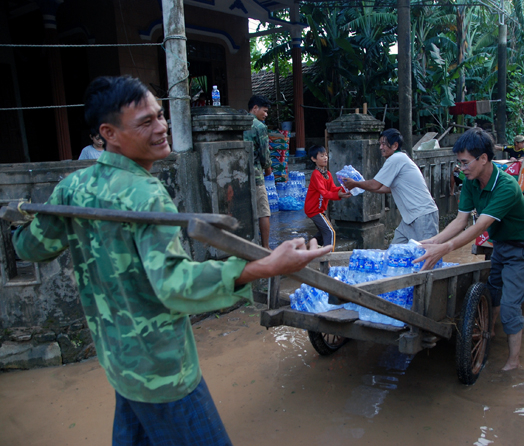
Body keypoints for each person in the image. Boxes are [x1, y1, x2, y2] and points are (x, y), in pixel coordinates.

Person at [12, 76, 331, 446]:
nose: (162, 127)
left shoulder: (72, 189)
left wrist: (19, 222)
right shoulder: (146, 194)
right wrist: (268, 266)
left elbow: (28, 247)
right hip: (162, 369)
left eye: (160, 116)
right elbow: (174, 285)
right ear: (108, 133)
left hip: (119, 362)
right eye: (145, 122)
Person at [414, 127, 524, 371]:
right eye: (459, 162)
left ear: (483, 158)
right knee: (493, 289)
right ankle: (488, 331)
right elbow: (460, 221)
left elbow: (481, 226)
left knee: (511, 305)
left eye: (465, 162)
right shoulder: (472, 181)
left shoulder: (507, 186)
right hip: (502, 244)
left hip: (523, 247)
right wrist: (431, 243)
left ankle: (513, 362)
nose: (462, 168)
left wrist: (446, 248)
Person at [341, 129, 439, 244]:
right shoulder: (399, 159)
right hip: (410, 218)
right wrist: (361, 185)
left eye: (383, 144)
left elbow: (375, 185)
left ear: (395, 145)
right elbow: (385, 188)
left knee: (426, 254)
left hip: (422, 215)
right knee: (394, 253)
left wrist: (356, 184)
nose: (380, 147)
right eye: (380, 144)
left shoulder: (396, 159)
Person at [304, 145, 351, 249]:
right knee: (330, 232)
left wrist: (345, 188)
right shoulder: (316, 175)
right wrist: (338, 194)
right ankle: (327, 261)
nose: (325, 158)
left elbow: (333, 188)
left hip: (320, 209)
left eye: (326, 155)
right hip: (314, 209)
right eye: (322, 156)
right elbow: (324, 193)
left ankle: (306, 248)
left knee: (323, 232)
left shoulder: (328, 174)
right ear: (314, 159)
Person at [243, 95, 272, 249]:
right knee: (263, 211)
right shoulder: (259, 127)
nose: (266, 114)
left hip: (239, 175)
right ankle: (265, 247)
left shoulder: (239, 123)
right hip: (256, 175)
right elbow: (264, 154)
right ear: (255, 108)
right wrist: (268, 169)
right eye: (264, 111)